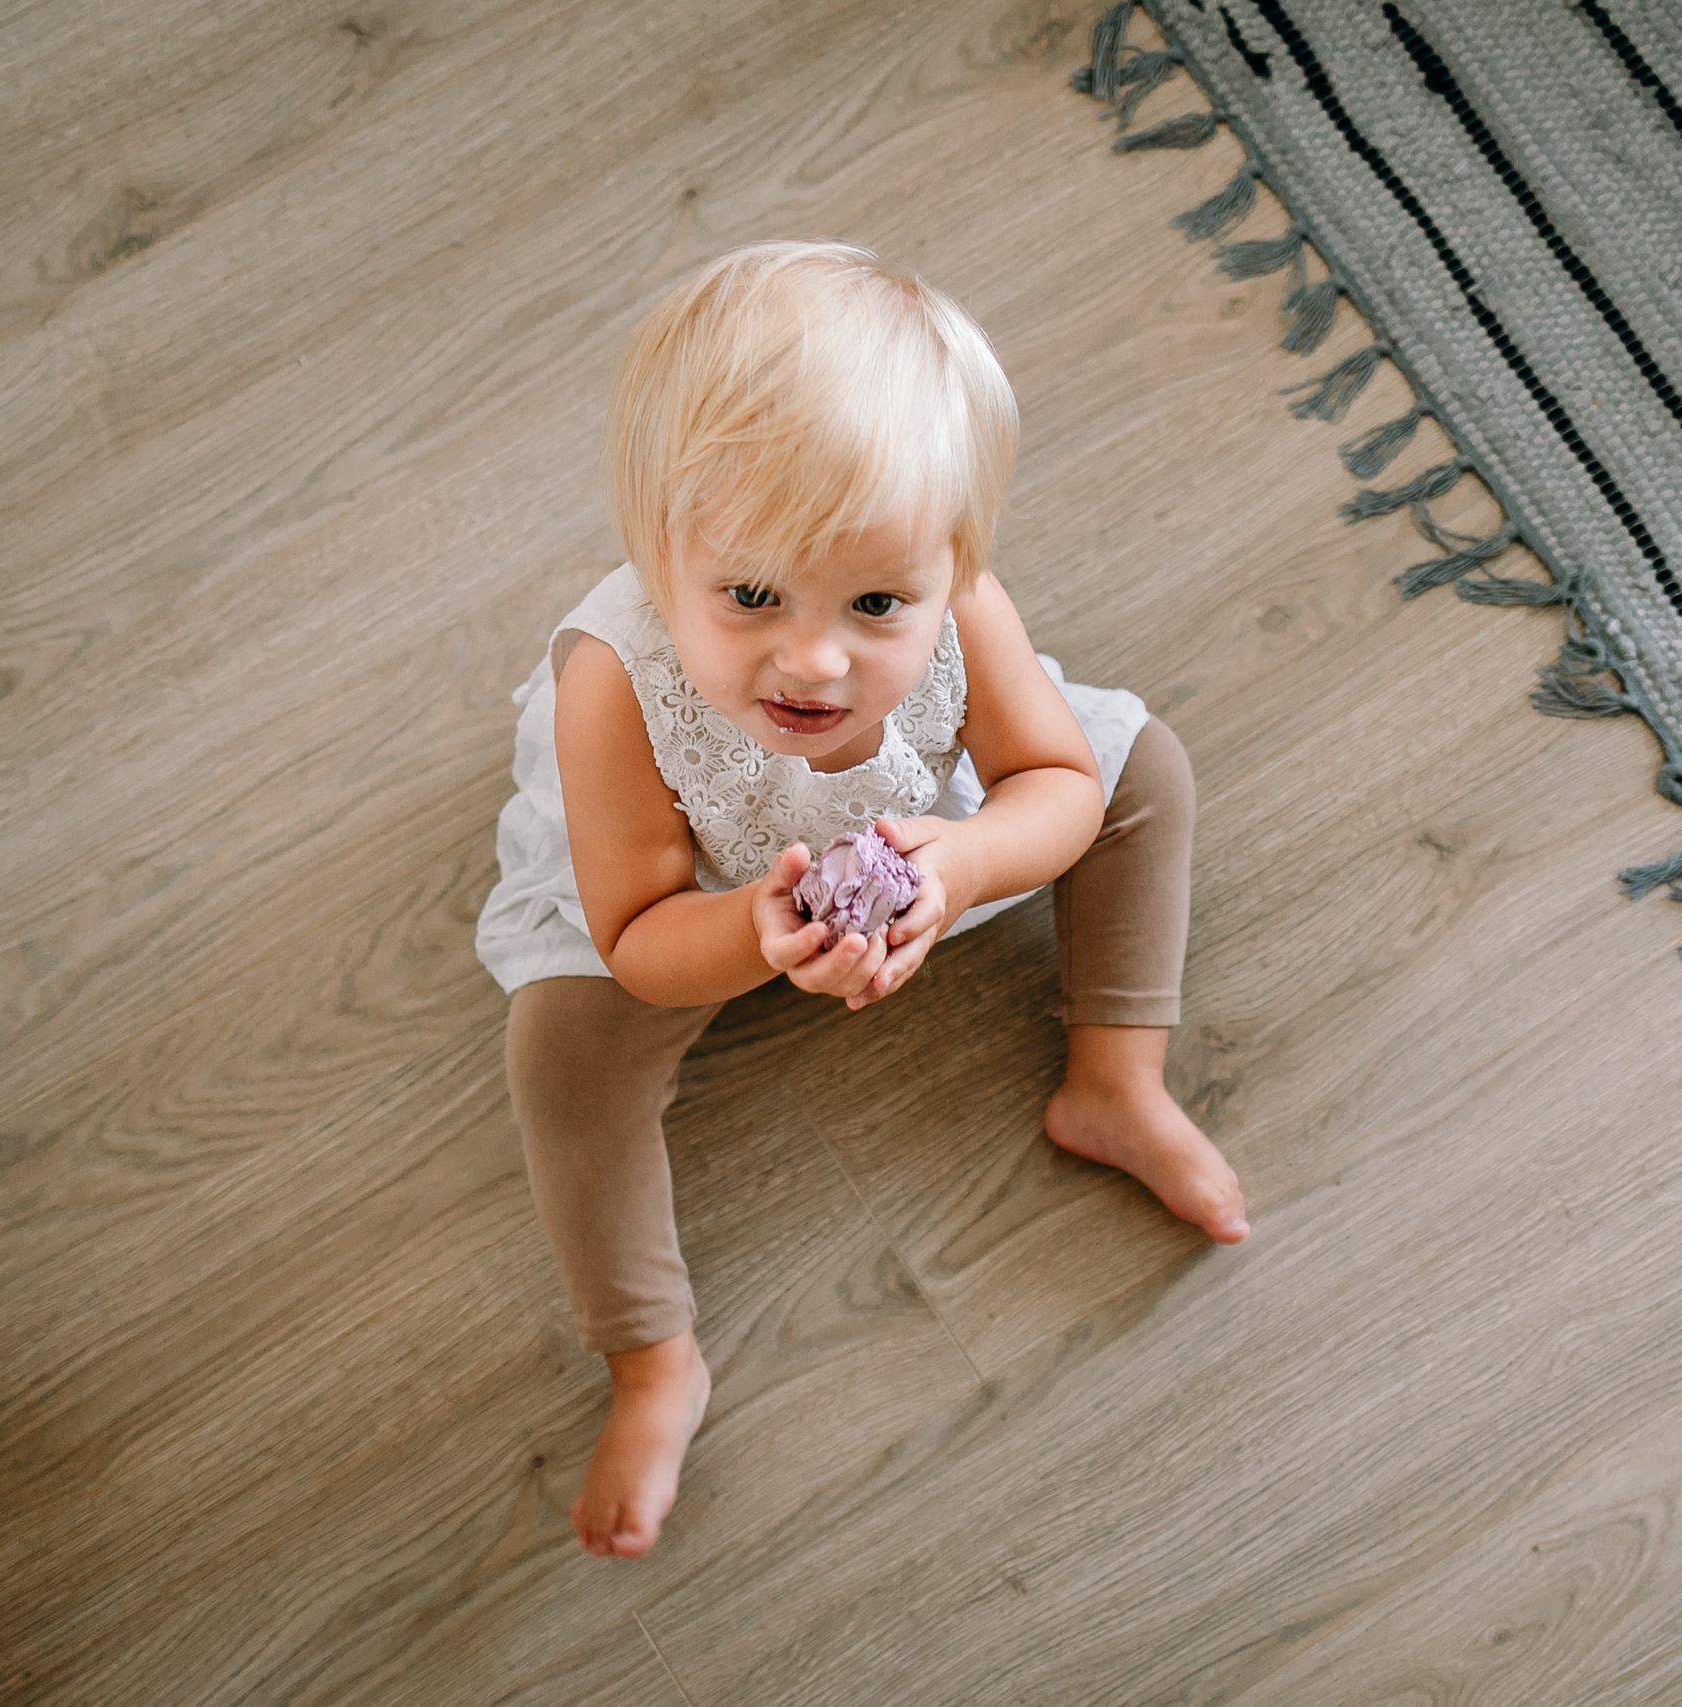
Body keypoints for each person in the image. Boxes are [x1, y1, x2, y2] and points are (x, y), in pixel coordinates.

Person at [474, 240, 1247, 1560]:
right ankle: (654, 1354)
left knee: (1146, 775)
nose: (817, 658)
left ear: (949, 563)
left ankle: (1115, 1079)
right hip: (700, 885)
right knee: (561, 1057)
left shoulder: (965, 609)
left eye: (878, 601)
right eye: (751, 595)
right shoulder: (613, 683)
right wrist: (753, 937)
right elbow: (638, 939)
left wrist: (968, 863)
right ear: (660, 555)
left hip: (915, 833)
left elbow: (1053, 780)